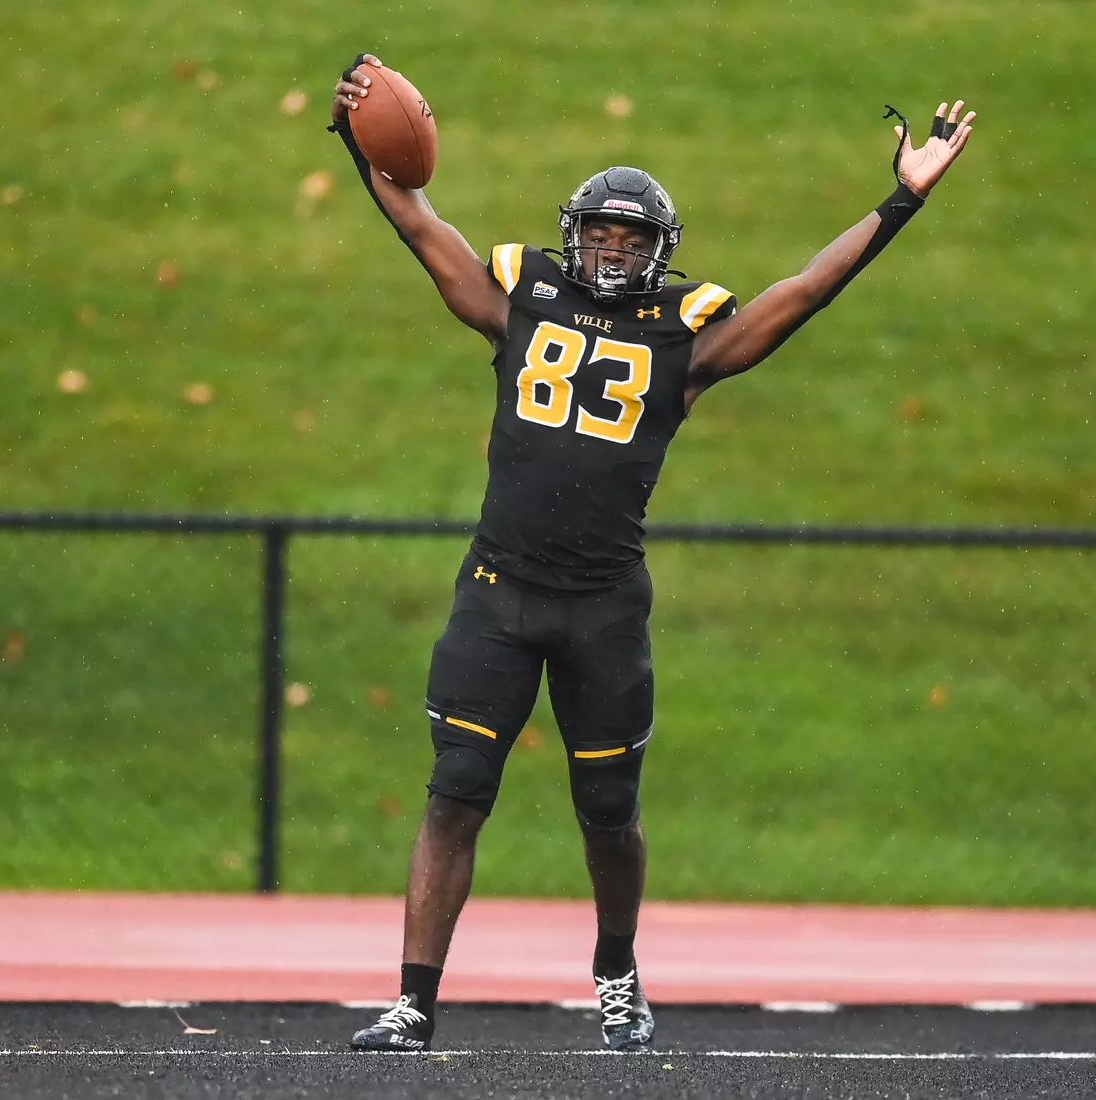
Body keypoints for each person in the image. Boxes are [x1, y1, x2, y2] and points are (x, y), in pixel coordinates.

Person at [328, 54, 975, 1052]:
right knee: (455, 789)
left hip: (599, 606)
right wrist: (360, 143)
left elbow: (800, 293)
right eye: (601, 234)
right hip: (497, 592)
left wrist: (899, 201)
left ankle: (616, 969)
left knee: (607, 807)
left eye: (633, 240)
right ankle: (412, 998)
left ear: (659, 250)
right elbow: (420, 221)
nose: (614, 252)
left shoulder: (685, 335)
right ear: (572, 236)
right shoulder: (521, 295)